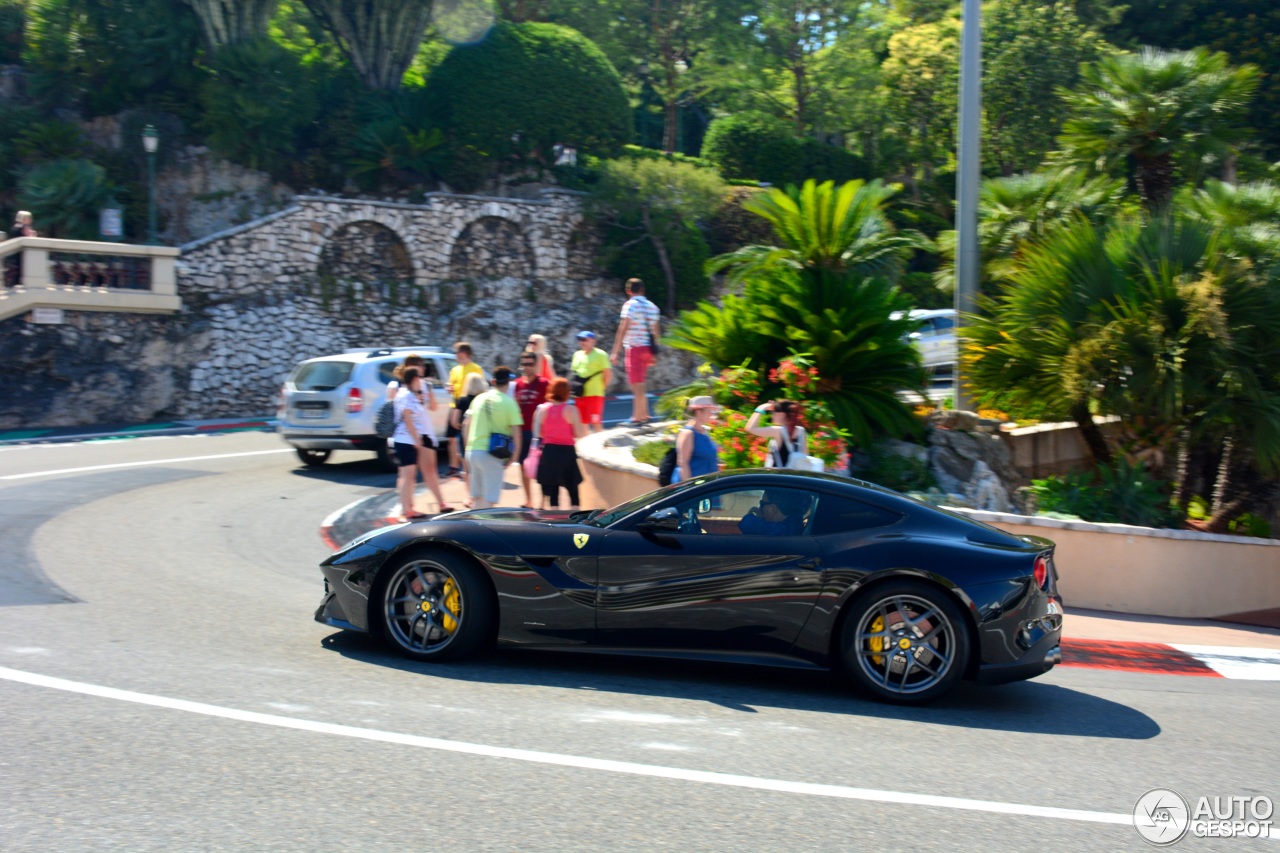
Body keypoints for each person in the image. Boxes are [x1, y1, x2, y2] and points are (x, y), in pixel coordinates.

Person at [392, 368, 451, 521]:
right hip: (405, 440)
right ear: (414, 379)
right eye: (419, 378)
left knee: (409, 476)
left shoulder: (409, 394)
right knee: (408, 475)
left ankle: (408, 509)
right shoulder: (406, 395)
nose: (421, 381)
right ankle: (406, 510)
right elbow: (407, 418)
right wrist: (416, 438)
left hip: (405, 439)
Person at [462, 366, 523, 509]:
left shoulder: (478, 399)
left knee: (477, 497)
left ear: (493, 381)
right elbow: (517, 433)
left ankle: (474, 527)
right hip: (492, 454)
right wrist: (513, 458)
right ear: (509, 383)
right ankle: (482, 529)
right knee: (489, 501)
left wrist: (468, 448)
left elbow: (466, 425)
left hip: (472, 451)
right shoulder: (510, 403)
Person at [609, 277, 661, 426]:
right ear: (643, 290)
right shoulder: (652, 307)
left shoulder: (629, 305)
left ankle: (637, 418)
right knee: (641, 383)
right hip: (647, 349)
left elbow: (623, 328)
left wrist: (615, 351)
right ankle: (644, 415)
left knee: (635, 385)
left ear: (628, 291)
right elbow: (656, 331)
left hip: (635, 348)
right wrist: (655, 352)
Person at [533, 377, 585, 509]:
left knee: (553, 487)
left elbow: (540, 433)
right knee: (572, 486)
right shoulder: (571, 410)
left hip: (549, 451)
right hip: (567, 451)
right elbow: (579, 433)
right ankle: (575, 516)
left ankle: (554, 516)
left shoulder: (543, 410)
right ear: (567, 392)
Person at [513, 351, 549, 508]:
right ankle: (529, 500)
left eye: (530, 364)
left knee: (541, 468)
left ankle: (543, 502)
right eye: (524, 364)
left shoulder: (544, 384)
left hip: (539, 433)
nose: (527, 367)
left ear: (536, 365)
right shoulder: (517, 384)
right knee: (522, 467)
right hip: (521, 432)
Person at [449, 372, 488, 507]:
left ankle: (471, 497)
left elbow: (454, 421)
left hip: (466, 436)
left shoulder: (462, 400)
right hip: (483, 436)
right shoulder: (485, 400)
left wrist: (460, 425)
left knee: (467, 468)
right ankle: (483, 496)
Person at [446, 342, 483, 478]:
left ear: (465, 353)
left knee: (466, 437)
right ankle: (454, 467)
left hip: (469, 404)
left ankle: (468, 468)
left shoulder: (476, 368)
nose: (456, 355)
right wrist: (449, 388)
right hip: (455, 404)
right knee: (451, 438)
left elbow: (479, 387)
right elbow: (451, 384)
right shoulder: (454, 370)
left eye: (457, 352)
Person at [744, 400, 808, 468]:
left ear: (782, 414)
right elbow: (805, 456)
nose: (772, 416)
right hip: (795, 477)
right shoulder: (801, 431)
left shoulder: (778, 431)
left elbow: (750, 428)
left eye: (774, 413)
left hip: (777, 476)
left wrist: (761, 408)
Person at [570, 330, 611, 433]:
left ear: (593, 341)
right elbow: (574, 373)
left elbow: (607, 374)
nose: (581, 342)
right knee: (582, 421)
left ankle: (599, 444)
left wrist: (602, 388)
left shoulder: (600, 354)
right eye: (580, 340)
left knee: (595, 421)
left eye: (584, 340)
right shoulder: (577, 354)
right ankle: (585, 443)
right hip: (580, 394)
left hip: (594, 394)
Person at [673, 395, 720, 483]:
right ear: (699, 412)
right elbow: (683, 464)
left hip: (708, 486)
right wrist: (689, 489)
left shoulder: (704, 431)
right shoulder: (688, 434)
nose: (711, 414)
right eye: (709, 411)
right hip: (696, 489)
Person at [738, 490, 807, 536]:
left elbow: (747, 524)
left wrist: (750, 515)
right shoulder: (795, 524)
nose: (760, 508)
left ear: (773, 508)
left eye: (762, 504)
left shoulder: (784, 530)